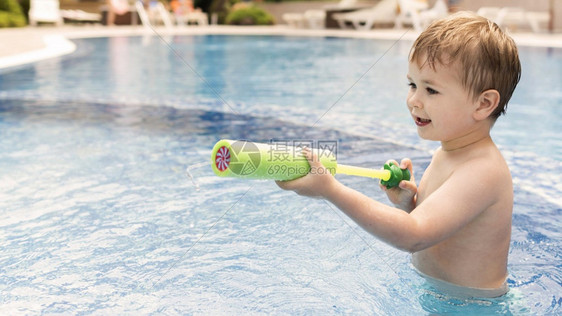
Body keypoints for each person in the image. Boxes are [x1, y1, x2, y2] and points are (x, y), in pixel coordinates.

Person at [277, 11, 521, 299]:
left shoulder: (482, 171)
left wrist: (331, 190)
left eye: (431, 89)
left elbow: (413, 236)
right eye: (413, 85)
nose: (414, 100)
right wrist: (410, 205)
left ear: (483, 104)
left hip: (474, 307)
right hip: (441, 295)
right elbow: (433, 226)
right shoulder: (447, 154)